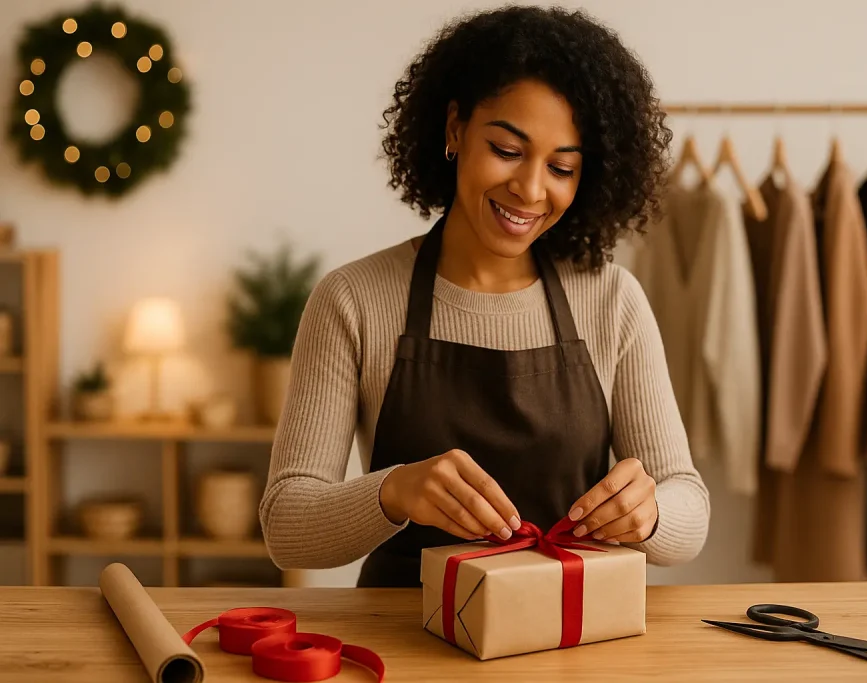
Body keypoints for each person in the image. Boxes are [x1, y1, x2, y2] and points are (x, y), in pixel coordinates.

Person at [259, 5, 710, 588]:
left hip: (569, 642)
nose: (530, 189)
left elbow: (689, 511)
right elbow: (286, 526)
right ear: (454, 130)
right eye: (507, 149)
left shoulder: (612, 301)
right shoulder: (353, 299)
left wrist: (650, 514)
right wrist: (394, 492)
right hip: (406, 644)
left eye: (562, 167)